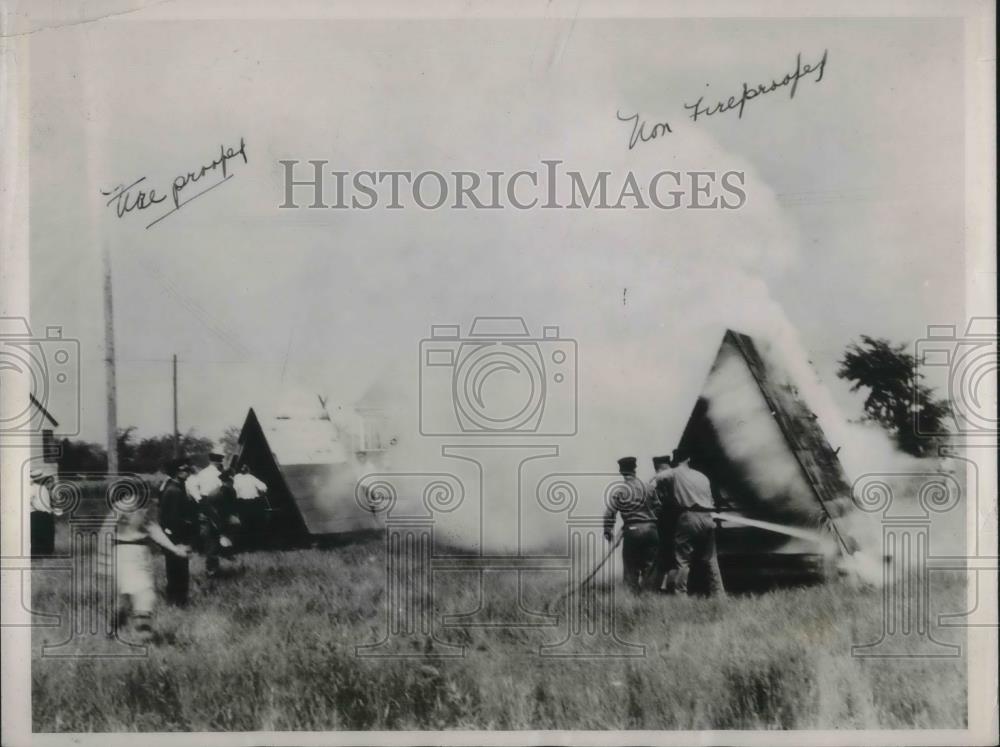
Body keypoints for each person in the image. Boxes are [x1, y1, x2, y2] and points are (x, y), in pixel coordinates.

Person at [102, 487, 188, 641]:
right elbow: (105, 535)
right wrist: (104, 562)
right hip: (122, 556)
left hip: (141, 556)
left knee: (145, 594)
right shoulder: (116, 512)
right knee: (123, 599)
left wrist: (175, 550)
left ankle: (144, 635)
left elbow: (156, 532)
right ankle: (115, 627)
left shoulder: (143, 513)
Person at [660, 447, 726, 597]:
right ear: (688, 459)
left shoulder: (675, 473)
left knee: (682, 560)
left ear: (675, 461)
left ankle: (681, 596)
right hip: (708, 517)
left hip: (689, 517)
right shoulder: (702, 477)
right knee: (711, 559)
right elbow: (711, 500)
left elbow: (658, 478)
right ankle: (719, 595)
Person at [603, 456, 661, 593]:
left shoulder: (619, 491)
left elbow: (610, 513)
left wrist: (608, 531)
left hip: (632, 530)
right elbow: (658, 507)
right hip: (651, 530)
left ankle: (632, 600)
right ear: (635, 469)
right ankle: (649, 598)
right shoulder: (648, 487)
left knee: (631, 567)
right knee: (650, 566)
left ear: (621, 471)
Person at [158, 458, 196, 606]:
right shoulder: (174, 491)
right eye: (182, 470)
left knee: (176, 568)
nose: (186, 473)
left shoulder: (176, 488)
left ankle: (175, 599)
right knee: (178, 569)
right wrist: (186, 528)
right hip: (176, 536)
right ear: (176, 472)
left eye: (187, 470)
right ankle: (178, 600)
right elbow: (173, 518)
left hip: (174, 535)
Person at [649, 455, 677, 590]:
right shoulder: (677, 476)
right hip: (678, 519)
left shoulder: (656, 479)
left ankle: (658, 588)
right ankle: (672, 586)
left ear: (657, 467)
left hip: (663, 522)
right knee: (677, 556)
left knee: (663, 555)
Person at [233, 464, 268, 548]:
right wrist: (261, 494)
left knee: (244, 522)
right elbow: (263, 487)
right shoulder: (251, 477)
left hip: (241, 502)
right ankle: (256, 543)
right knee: (255, 522)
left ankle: (246, 544)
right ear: (248, 470)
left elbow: (234, 490)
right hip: (252, 502)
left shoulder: (236, 478)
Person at [28, 469, 59, 557]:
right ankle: (42, 552)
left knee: (43, 533)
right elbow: (34, 502)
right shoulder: (35, 488)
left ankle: (44, 551)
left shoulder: (41, 488)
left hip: (42, 513)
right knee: (40, 533)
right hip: (38, 513)